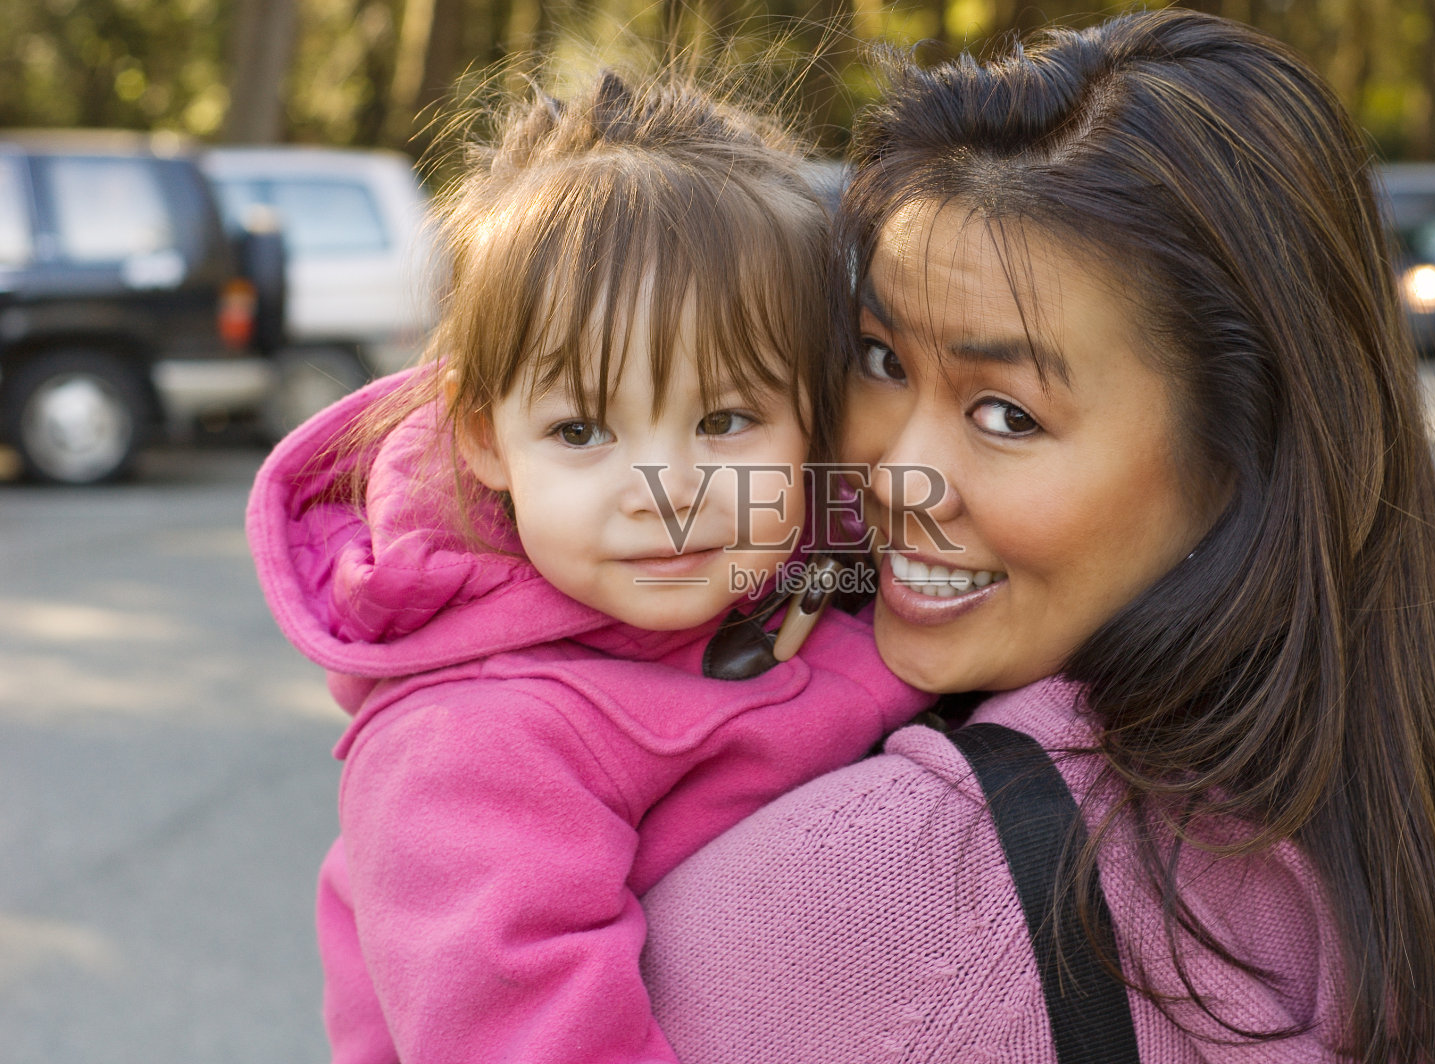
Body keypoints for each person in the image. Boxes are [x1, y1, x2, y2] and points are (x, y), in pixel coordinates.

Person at [641, 11, 1435, 1063]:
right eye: (879, 357)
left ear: (1238, 459)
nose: (892, 474)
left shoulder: (889, 897)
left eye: (1007, 413)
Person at [246, 70, 930, 1064]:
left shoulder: (808, 573)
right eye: (581, 428)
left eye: (725, 420)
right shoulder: (473, 744)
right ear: (485, 438)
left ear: (812, 420)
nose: (664, 487)